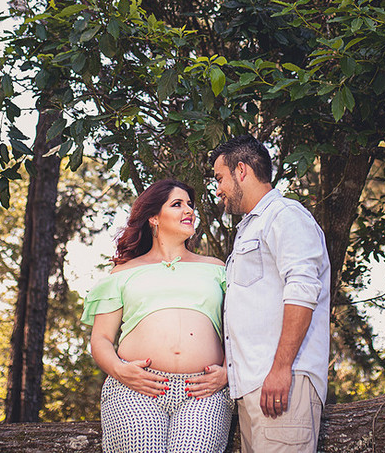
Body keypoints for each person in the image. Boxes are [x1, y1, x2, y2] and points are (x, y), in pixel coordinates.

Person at [192, 134, 331, 453]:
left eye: (220, 178)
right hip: (254, 387)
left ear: (241, 171)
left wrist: (281, 369)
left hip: (284, 383)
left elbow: (303, 289)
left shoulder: (285, 215)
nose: (218, 190)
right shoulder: (249, 229)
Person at [82, 178, 232, 453]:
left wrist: (228, 374)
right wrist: (120, 370)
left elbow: (237, 331)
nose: (189, 210)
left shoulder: (217, 269)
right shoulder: (123, 273)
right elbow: (101, 338)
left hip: (203, 391)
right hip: (135, 388)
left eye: (190, 205)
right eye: (177, 204)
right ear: (153, 216)